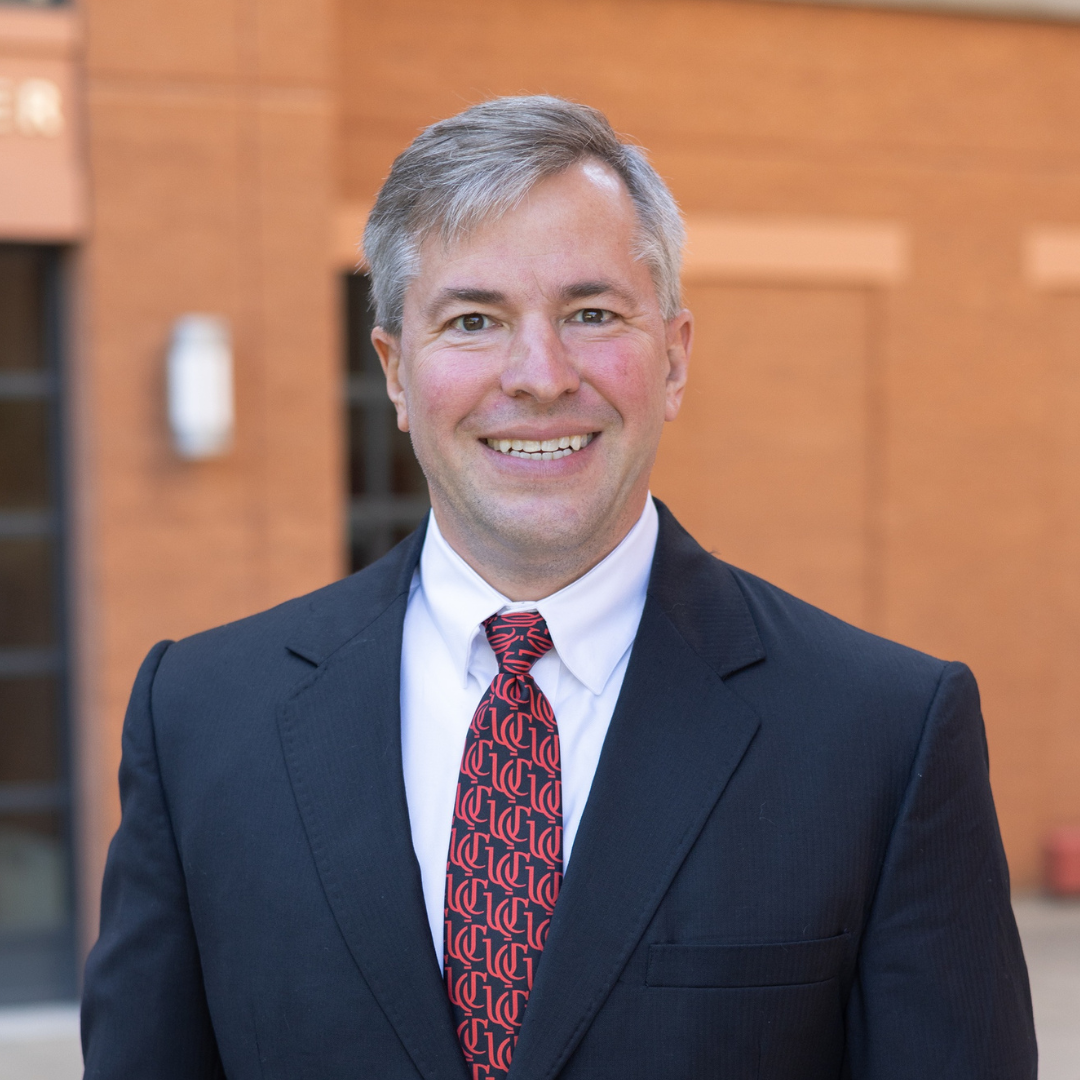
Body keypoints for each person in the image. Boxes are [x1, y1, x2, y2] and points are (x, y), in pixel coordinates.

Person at [81, 96, 1036, 1080]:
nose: (538, 375)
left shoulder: (883, 736)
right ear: (395, 373)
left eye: (590, 313)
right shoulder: (198, 720)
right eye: (473, 319)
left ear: (672, 355)